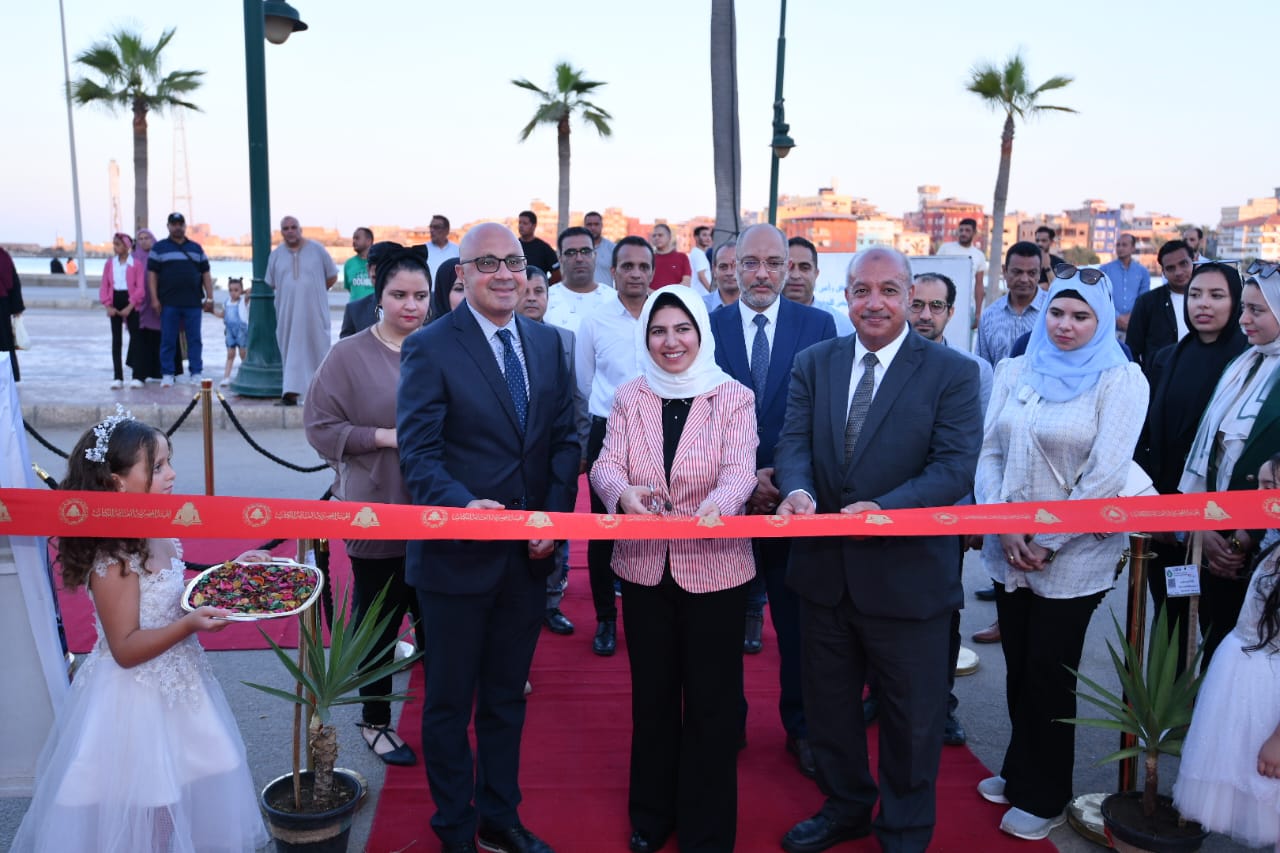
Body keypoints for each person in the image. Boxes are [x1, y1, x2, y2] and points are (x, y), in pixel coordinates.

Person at [775, 247, 983, 853]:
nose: (874, 303)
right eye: (862, 290)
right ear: (846, 296)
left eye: (889, 290)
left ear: (910, 296)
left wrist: (886, 510)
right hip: (824, 577)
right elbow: (793, 443)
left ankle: (904, 830)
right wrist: (797, 491)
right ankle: (845, 808)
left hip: (908, 580)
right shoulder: (814, 363)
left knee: (912, 720)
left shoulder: (953, 373)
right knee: (829, 710)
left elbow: (954, 468)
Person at [397, 222, 579, 853]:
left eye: (515, 262)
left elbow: (565, 442)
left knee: (505, 700)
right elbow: (418, 455)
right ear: (462, 274)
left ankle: (501, 819)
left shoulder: (549, 343)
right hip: (455, 559)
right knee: (449, 703)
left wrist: (550, 521)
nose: (505, 274)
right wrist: (461, 507)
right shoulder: (430, 347)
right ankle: (454, 828)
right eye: (488, 263)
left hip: (528, 560)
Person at [10, 411, 268, 852]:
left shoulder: (157, 531)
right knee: (151, 800)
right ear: (117, 483)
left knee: (187, 785)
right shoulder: (115, 558)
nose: (171, 474)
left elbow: (168, 597)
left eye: (169, 462)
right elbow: (126, 648)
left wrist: (227, 574)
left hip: (180, 684)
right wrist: (189, 625)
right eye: (158, 466)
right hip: (135, 699)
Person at [974, 267, 1148, 841]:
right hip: (1008, 546)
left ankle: (1046, 795)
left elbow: (1105, 475)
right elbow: (990, 453)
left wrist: (1046, 540)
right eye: (1056, 312)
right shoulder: (1016, 369)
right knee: (1019, 665)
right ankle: (1020, 770)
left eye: (1081, 316)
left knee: (1050, 673)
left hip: (1073, 557)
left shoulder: (1121, 380)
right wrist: (1004, 525)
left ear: (1102, 321)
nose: (1065, 325)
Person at [591, 284, 758, 853]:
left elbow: (740, 471)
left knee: (712, 704)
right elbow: (605, 465)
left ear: (700, 334)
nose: (670, 341)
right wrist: (622, 493)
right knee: (653, 698)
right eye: (659, 330)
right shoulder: (630, 395)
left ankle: (706, 829)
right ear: (645, 337)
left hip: (715, 572)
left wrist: (716, 509)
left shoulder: (732, 397)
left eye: (682, 329)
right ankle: (652, 814)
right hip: (644, 571)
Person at [707, 223, 837, 778]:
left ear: (789, 267)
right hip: (722, 501)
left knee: (798, 626)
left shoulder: (819, 326)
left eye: (773, 263)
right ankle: (723, 723)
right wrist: (742, 479)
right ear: (732, 267)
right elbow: (698, 416)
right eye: (750, 263)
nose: (761, 274)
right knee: (719, 625)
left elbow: (821, 416)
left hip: (792, 497)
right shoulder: (705, 328)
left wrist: (782, 478)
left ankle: (802, 728)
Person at [305, 249, 431, 767]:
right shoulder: (349, 355)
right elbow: (320, 426)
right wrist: (383, 437)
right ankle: (375, 720)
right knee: (379, 620)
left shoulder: (439, 348)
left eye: (420, 295)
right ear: (378, 297)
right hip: (376, 507)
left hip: (435, 510)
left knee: (435, 615)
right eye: (399, 295)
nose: (411, 305)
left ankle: (441, 710)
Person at [1135, 261, 1246, 673]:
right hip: (1166, 519)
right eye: (1196, 294)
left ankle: (1211, 711)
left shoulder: (1248, 363)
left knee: (1219, 630)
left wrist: (1214, 525)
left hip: (1221, 529)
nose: (1203, 304)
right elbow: (1148, 435)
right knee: (1169, 623)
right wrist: (1157, 506)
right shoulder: (1168, 358)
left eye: (1217, 296)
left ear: (1236, 303)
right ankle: (1165, 709)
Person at [1173, 454, 1280, 850]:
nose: (1259, 494)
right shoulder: (1272, 539)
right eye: (1259, 484)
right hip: (1243, 671)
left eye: (1270, 487)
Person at [1179, 261, 1280, 668]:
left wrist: (1244, 538)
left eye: (1257, 310)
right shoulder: (1242, 364)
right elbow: (1210, 451)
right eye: (1244, 309)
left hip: (1260, 543)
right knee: (1212, 647)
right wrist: (1203, 525)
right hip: (1215, 528)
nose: (1244, 320)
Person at [576, 236, 655, 656]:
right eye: (627, 266)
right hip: (608, 431)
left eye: (643, 266)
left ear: (652, 272)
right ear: (613, 272)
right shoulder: (595, 321)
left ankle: (649, 616)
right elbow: (584, 381)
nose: (635, 274)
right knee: (604, 529)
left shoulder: (668, 313)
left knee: (653, 525)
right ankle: (606, 618)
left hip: (661, 429)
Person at [518, 264, 589, 637]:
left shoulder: (564, 339)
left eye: (539, 291)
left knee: (555, 524)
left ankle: (551, 602)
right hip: (514, 459)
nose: (532, 298)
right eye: (526, 291)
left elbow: (576, 398)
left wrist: (579, 448)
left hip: (555, 454)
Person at [265, 215, 338, 406]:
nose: (290, 231)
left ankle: (320, 396)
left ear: (300, 229)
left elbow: (332, 276)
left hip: (314, 312)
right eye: (286, 228)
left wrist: (313, 291)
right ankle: (290, 393)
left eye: (293, 227)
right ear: (281, 232)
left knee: (318, 348)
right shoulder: (276, 255)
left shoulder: (317, 250)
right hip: (287, 313)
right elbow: (272, 282)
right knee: (291, 351)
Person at [148, 212, 214, 387]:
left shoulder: (196, 248)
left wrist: (210, 298)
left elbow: (206, 273)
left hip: (193, 302)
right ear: (168, 226)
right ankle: (167, 374)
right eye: (174, 224)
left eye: (180, 224)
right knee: (168, 339)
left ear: (185, 227)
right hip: (169, 303)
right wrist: (154, 299)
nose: (177, 227)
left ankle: (196, 372)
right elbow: (152, 275)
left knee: (194, 339)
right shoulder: (159, 248)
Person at [1126, 239, 1194, 375]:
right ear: (1163, 272)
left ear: (1194, 261)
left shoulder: (1210, 300)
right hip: (1158, 381)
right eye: (1170, 268)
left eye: (1183, 264)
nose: (1178, 272)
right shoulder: (1147, 302)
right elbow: (1132, 349)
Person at [975, 241, 1045, 367]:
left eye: (1031, 273)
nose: (1024, 279)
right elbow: (982, 368)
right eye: (1017, 272)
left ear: (1040, 273)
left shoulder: (1054, 311)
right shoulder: (989, 317)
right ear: (1004, 271)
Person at [543, 226, 614, 334]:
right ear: (560, 259)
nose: (579, 258)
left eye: (585, 251)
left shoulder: (614, 299)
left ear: (595, 255)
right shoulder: (545, 300)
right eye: (571, 253)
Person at [782, 236, 854, 336]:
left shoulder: (839, 324)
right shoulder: (764, 320)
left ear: (816, 274)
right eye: (789, 267)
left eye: (804, 268)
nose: (795, 275)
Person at [99, 232, 141, 390]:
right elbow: (105, 285)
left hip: (130, 301)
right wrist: (108, 305)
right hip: (115, 299)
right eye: (114, 244)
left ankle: (137, 376)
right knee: (116, 340)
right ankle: (118, 377)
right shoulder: (110, 264)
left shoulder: (136, 264)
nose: (115, 247)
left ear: (126, 246)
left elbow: (140, 288)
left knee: (135, 338)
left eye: (118, 244)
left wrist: (130, 306)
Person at [129, 229, 163, 383]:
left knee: (159, 337)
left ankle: (160, 372)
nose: (144, 241)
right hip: (139, 305)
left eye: (146, 238)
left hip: (156, 303)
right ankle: (140, 373)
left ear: (152, 239)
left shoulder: (159, 256)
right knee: (139, 338)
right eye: (140, 239)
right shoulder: (133, 257)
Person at [938, 217, 987, 324]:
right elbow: (935, 275)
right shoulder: (945, 249)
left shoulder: (979, 255)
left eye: (967, 230)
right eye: (961, 230)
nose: (963, 233)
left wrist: (978, 312)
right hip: (944, 303)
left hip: (968, 306)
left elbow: (979, 285)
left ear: (974, 233)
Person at [1100, 233, 1150, 338]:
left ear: (1133, 248)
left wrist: (1132, 316)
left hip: (1134, 326)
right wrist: (1117, 317)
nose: (1120, 248)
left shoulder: (1143, 272)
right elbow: (1101, 297)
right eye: (1118, 245)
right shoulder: (1104, 270)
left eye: (1124, 245)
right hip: (1109, 327)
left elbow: (1144, 299)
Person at [216, 277, 249, 387]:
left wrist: (242, 292)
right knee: (230, 355)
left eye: (236, 290)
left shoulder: (243, 301)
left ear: (241, 290)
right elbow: (222, 315)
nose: (233, 293)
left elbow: (251, 291)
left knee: (243, 354)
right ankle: (226, 377)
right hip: (230, 331)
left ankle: (245, 376)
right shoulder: (227, 302)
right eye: (230, 290)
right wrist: (211, 311)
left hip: (241, 332)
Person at [0, 246, 24, 381]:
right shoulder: (3, 256)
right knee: (4, 342)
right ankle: (8, 374)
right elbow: (12, 282)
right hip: (2, 304)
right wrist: (16, 308)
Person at [517, 210, 560, 284]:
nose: (521, 226)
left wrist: (544, 286)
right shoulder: (514, 246)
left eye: (525, 223)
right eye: (519, 223)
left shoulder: (544, 248)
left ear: (534, 226)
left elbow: (557, 274)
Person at [650, 224, 691, 288]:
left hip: (675, 294)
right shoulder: (649, 259)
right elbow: (643, 284)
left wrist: (668, 293)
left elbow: (686, 282)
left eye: (660, 235)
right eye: (654, 236)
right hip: (653, 294)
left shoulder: (682, 257)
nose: (656, 238)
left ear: (669, 237)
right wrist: (656, 293)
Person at [425, 215, 460, 284]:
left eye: (436, 227)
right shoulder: (423, 250)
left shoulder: (458, 251)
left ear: (447, 230)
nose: (431, 230)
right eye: (431, 227)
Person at [704, 241, 738, 312]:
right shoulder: (700, 307)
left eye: (735, 267)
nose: (729, 273)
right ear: (714, 270)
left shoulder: (756, 307)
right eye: (723, 267)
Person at [584, 210, 615, 286]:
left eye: (596, 224)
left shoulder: (612, 248)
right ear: (584, 226)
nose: (593, 228)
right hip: (581, 293)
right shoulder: (577, 249)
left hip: (606, 293)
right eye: (589, 224)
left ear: (601, 226)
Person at [344, 226, 374, 301]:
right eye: (353, 238)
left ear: (369, 241)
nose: (354, 241)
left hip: (374, 307)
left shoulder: (379, 263)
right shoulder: (349, 264)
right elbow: (349, 288)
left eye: (357, 238)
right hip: (354, 307)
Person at [690, 225, 714, 292]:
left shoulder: (697, 252)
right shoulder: (698, 254)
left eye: (709, 235)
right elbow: (701, 276)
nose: (708, 238)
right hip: (701, 295)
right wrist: (712, 292)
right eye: (704, 235)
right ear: (696, 237)